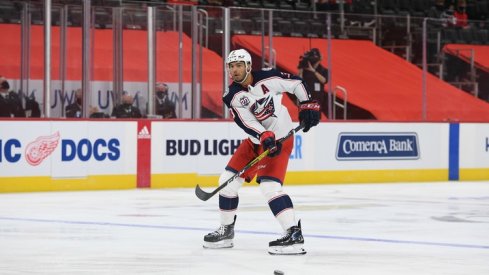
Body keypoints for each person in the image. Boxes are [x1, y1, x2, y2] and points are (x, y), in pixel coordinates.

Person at [203, 49, 320, 255]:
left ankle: (293, 234)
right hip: (256, 141)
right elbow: (247, 122)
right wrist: (264, 136)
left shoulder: (268, 77)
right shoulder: (232, 95)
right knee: (227, 182)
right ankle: (226, 231)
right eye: (232, 66)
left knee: (270, 187)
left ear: (248, 66)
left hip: (281, 139)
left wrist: (306, 104)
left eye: (239, 65)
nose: (235, 70)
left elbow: (296, 83)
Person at [298, 48, 328, 115]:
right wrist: (301, 70)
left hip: (317, 97)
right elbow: (299, 81)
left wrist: (313, 70)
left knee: (316, 116)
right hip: (306, 97)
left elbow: (324, 80)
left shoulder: (323, 70)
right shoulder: (305, 69)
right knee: (305, 116)